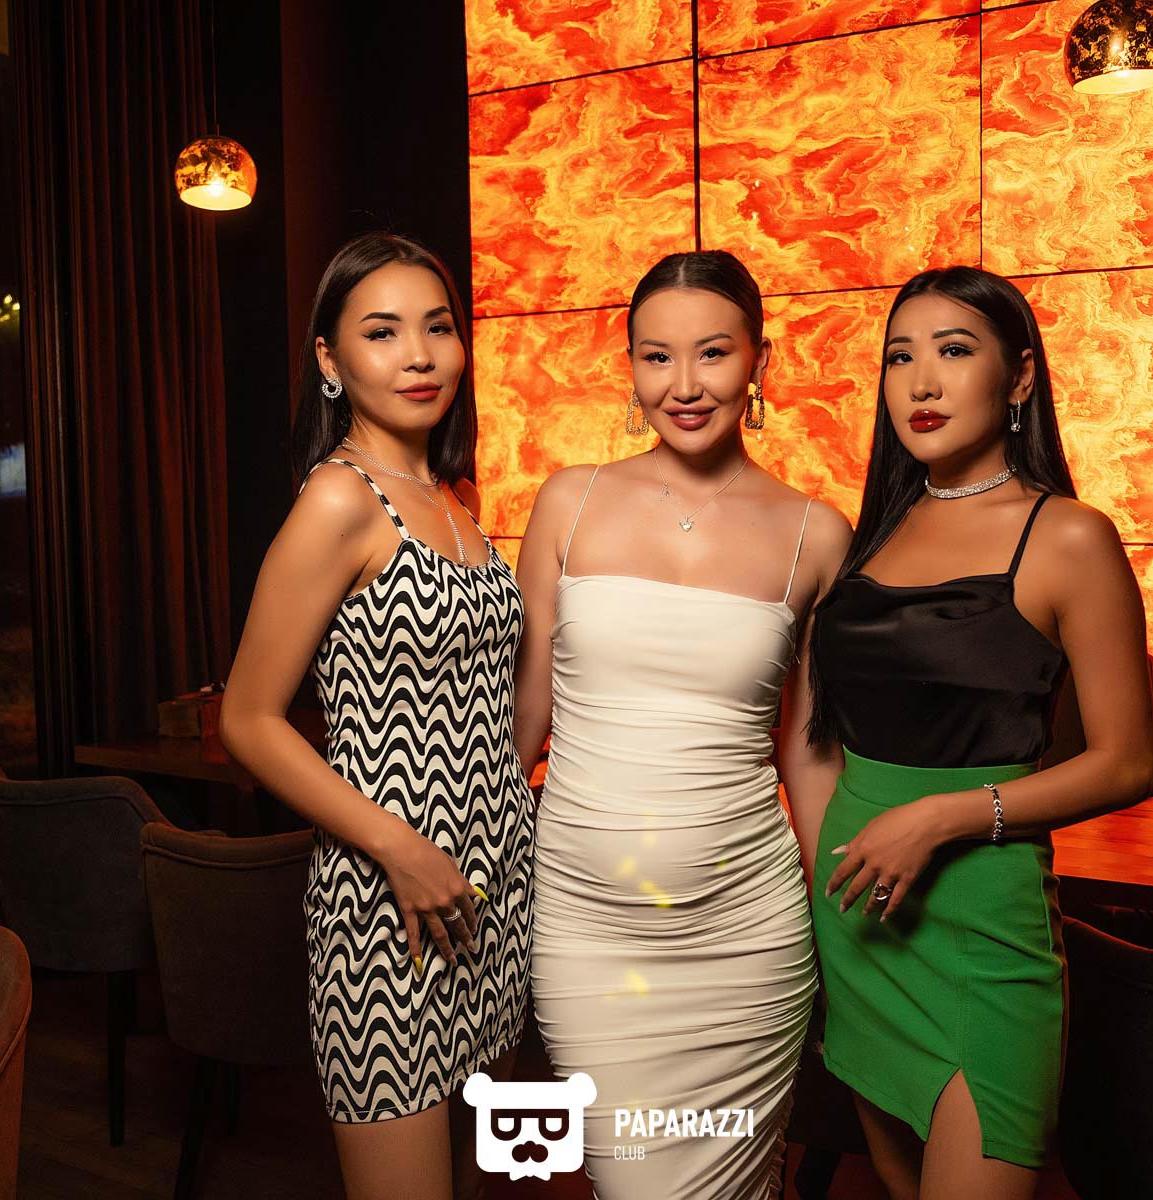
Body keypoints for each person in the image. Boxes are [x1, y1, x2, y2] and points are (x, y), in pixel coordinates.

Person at [802, 265, 1153, 1198]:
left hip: (980, 922)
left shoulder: (1069, 536)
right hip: (857, 915)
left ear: (1021, 377)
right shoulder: (871, 532)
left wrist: (942, 817)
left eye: (954, 351)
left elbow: (1128, 761)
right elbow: (819, 737)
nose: (922, 382)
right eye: (899, 358)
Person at [513, 250, 851, 1198]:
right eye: (656, 357)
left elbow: (808, 755)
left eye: (713, 353)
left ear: (760, 361)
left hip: (749, 935)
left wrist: (845, 934)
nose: (685, 385)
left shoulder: (817, 533)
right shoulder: (570, 500)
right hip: (588, 930)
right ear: (629, 366)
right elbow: (524, 723)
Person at [218, 233, 531, 1200]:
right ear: (331, 358)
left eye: (438, 327)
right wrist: (401, 849)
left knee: (485, 1184)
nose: (420, 355)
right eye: (383, 332)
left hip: (493, 891)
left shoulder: (457, 497)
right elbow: (248, 719)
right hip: (386, 907)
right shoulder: (338, 500)